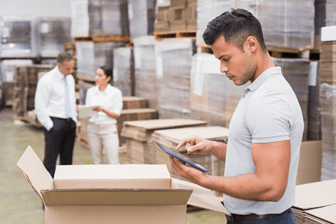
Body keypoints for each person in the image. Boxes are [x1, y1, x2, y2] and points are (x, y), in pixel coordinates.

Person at [170, 8, 303, 224]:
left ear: (251, 45)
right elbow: (256, 156)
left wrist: (206, 181)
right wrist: (213, 147)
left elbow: (271, 186)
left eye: (226, 58)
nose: (222, 68)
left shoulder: (268, 101)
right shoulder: (258, 91)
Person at [35, 52, 77, 178]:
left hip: (70, 123)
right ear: (59, 66)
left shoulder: (70, 78)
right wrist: (50, 126)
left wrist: (74, 119)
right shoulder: (46, 80)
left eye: (72, 67)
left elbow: (71, 99)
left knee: (67, 160)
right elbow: (40, 105)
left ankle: (64, 190)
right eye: (68, 68)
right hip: (55, 123)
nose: (71, 71)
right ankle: (46, 193)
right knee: (50, 160)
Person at [83, 66, 123, 164]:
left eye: (100, 75)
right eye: (96, 74)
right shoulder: (91, 92)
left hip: (108, 129)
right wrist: (82, 110)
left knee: (113, 162)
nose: (96, 77)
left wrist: (103, 110)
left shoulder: (115, 93)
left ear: (108, 78)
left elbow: (116, 115)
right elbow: (88, 113)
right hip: (93, 129)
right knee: (97, 162)